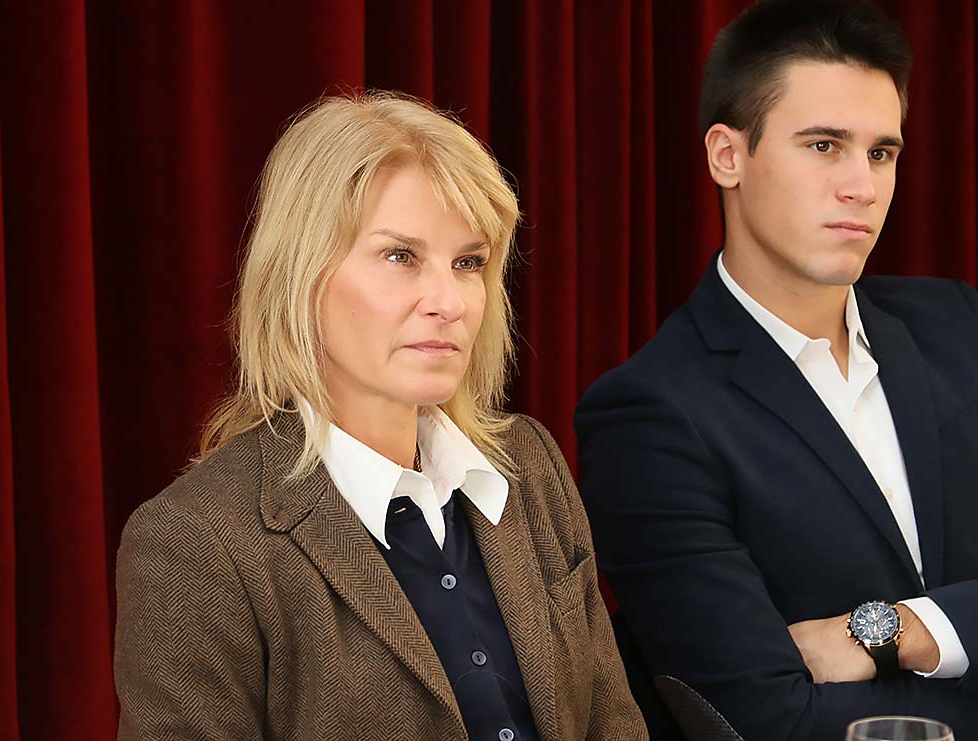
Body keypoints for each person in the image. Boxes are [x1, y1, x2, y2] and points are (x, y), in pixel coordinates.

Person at [114, 91, 647, 740]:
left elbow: (614, 725)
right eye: (401, 256)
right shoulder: (197, 541)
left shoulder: (529, 465)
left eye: (468, 262)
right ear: (301, 276)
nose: (449, 301)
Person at [575, 1, 978, 739]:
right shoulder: (646, 415)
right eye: (824, 145)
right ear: (727, 156)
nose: (861, 186)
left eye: (880, 153)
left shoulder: (959, 324)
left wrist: (903, 629)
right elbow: (765, 720)